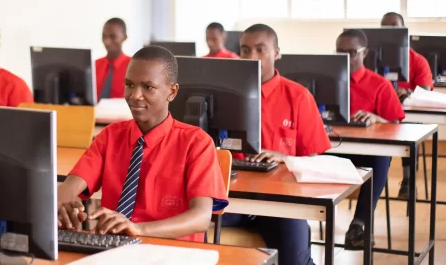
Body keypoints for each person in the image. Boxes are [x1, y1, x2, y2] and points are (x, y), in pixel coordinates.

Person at [57, 46, 228, 242]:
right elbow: (68, 188)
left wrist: (138, 229)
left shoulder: (196, 143)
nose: (135, 95)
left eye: (148, 87)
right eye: (129, 85)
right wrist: (66, 204)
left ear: (172, 92)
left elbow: (201, 218)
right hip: (115, 248)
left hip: (173, 253)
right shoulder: (110, 136)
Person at [225, 24, 331, 265]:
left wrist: (284, 158)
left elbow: (316, 160)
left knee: (295, 261)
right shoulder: (223, 94)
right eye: (244, 50)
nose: (251, 57)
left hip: (281, 203)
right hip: (232, 197)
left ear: (276, 53)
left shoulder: (298, 96)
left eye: (260, 50)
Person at [335, 29, 405, 250]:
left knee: (381, 156)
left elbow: (396, 127)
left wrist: (377, 119)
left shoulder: (380, 85)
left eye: (352, 52)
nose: (346, 57)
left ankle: (360, 224)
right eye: (339, 52)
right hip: (332, 148)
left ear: (365, 53)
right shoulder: (324, 82)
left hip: (365, 154)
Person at [380, 12, 434, 199]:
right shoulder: (372, 60)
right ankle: (371, 180)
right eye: (385, 28)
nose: (390, 32)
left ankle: (408, 180)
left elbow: (425, 92)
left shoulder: (418, 61)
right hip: (381, 115)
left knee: (407, 129)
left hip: (408, 116)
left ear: (404, 31)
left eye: (394, 27)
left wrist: (407, 93)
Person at [95, 18, 131, 100]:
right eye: (104, 36)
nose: (107, 41)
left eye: (113, 36)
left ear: (124, 37)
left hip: (123, 112)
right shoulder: (95, 65)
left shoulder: (134, 66)